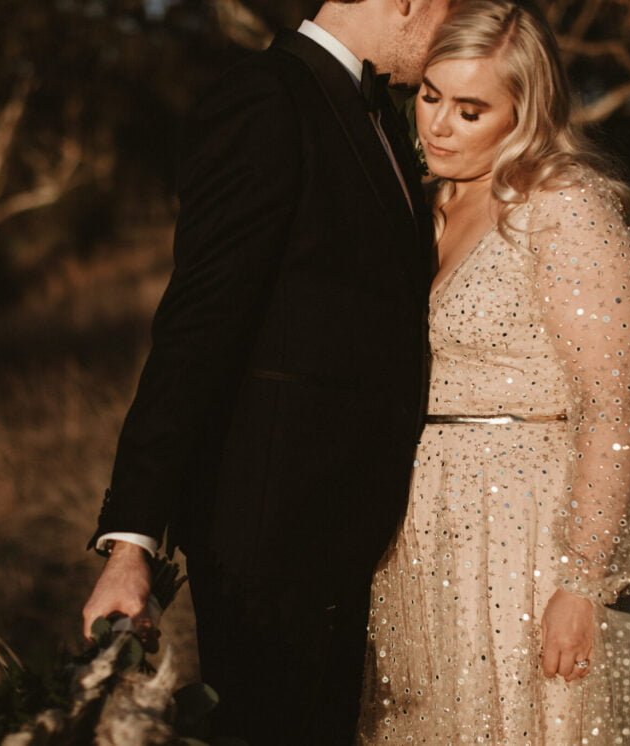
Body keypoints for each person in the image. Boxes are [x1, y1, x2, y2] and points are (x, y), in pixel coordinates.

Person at [80, 1, 450, 743]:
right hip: (272, 535)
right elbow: (196, 326)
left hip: (354, 531)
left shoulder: (378, 113)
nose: (458, 20)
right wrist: (131, 542)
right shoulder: (266, 100)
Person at [355, 2, 630, 743]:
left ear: (524, 114)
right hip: (418, 523)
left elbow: (616, 405)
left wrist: (582, 581)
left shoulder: (563, 208)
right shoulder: (424, 203)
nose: (438, 126)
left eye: (470, 111)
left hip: (524, 526)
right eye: (430, 97)